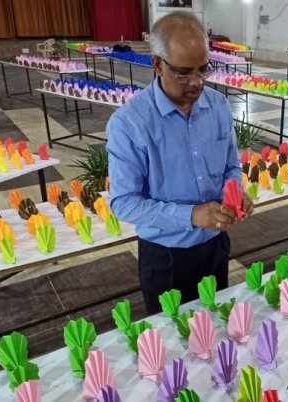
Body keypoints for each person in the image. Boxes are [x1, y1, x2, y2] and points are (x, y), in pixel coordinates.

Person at [106, 11, 254, 315]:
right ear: (157, 65)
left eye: (204, 69)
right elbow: (123, 202)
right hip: (166, 257)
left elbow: (230, 166)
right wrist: (191, 216)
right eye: (184, 73)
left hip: (214, 246)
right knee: (172, 337)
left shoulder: (218, 106)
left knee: (215, 325)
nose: (197, 82)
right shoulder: (130, 123)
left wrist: (235, 193)